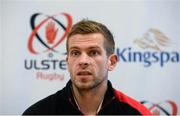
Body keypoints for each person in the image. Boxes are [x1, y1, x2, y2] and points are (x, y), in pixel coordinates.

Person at [23, 19, 152, 115]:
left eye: (93, 52)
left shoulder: (138, 113)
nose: (83, 61)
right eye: (75, 53)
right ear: (67, 62)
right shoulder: (37, 113)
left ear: (111, 62)